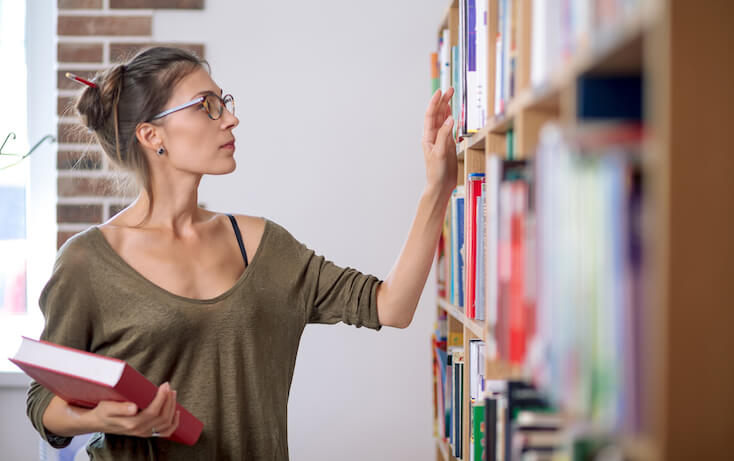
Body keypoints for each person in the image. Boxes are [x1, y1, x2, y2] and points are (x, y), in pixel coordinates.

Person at [25, 46, 457, 460]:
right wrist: (107, 419)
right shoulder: (87, 261)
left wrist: (437, 187)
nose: (231, 118)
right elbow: (44, 400)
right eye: (206, 105)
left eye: (224, 102)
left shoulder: (263, 246)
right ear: (152, 134)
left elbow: (392, 305)